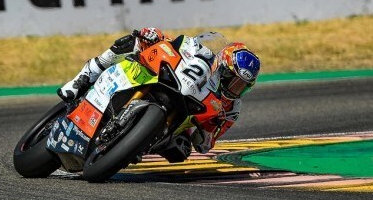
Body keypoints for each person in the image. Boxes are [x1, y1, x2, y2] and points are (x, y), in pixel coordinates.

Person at [56, 27, 261, 158]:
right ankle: (84, 77)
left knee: (181, 151)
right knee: (134, 42)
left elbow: (206, 144)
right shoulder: (204, 53)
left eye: (241, 85)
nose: (235, 87)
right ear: (223, 66)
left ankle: (136, 144)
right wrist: (156, 36)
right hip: (172, 80)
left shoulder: (232, 107)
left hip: (183, 118)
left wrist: (205, 132)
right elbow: (176, 44)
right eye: (233, 80)